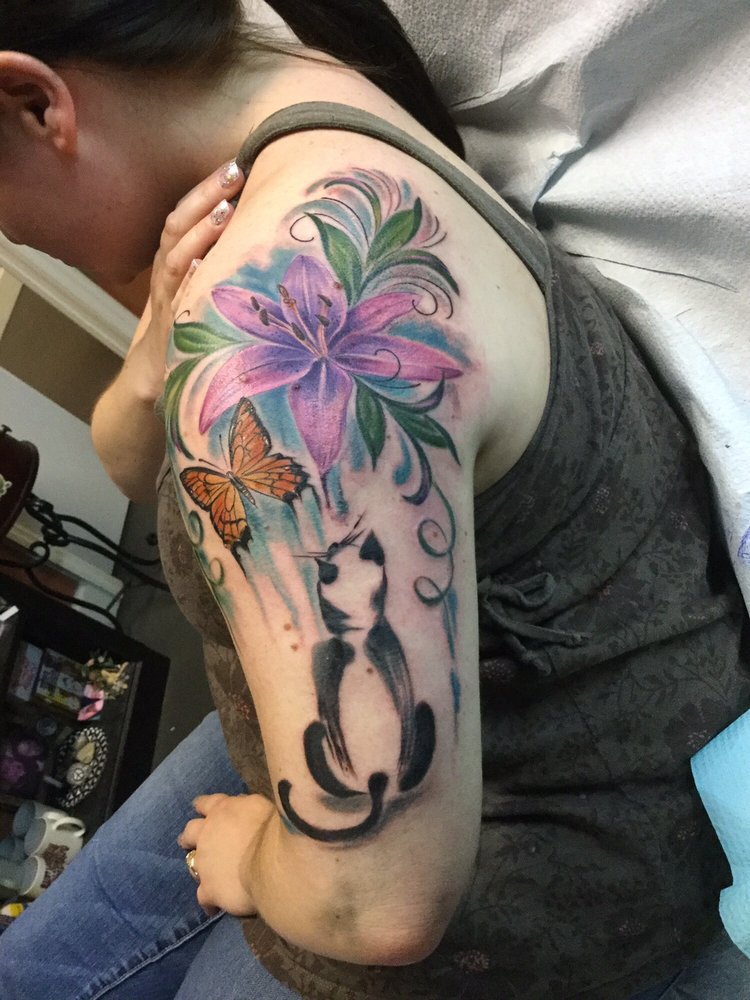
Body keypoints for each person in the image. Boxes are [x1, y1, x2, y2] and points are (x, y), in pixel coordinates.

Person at [0, 2, 747, 998]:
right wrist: (150, 372)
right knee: (30, 970)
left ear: (33, 102)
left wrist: (259, 854)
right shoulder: (299, 75)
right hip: (401, 730)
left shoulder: (272, 330)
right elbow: (168, 483)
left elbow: (374, 905)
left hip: (545, 852)